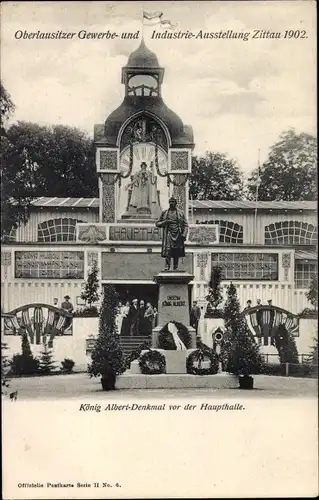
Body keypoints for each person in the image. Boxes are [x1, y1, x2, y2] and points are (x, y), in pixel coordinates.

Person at [155, 196, 188, 271]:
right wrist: (165, 222)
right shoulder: (164, 212)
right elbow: (157, 223)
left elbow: (186, 225)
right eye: (170, 202)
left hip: (178, 233)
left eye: (173, 202)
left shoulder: (180, 213)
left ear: (176, 203)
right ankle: (167, 266)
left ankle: (175, 267)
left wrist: (184, 234)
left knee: (176, 250)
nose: (171, 203)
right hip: (168, 233)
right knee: (168, 250)